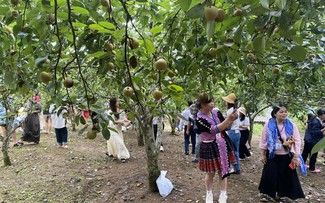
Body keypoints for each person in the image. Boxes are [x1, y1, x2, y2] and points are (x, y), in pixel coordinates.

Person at [195, 93, 238, 203]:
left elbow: (226, 127)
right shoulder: (199, 119)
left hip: (222, 144)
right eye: (209, 102)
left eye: (213, 101)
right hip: (209, 145)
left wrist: (232, 119)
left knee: (223, 170)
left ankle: (223, 194)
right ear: (202, 104)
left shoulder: (216, 112)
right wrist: (229, 119)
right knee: (210, 172)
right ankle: (209, 193)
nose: (212, 103)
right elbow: (214, 129)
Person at [258, 105, 305, 202]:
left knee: (286, 176)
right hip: (272, 155)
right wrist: (263, 154)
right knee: (270, 175)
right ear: (275, 114)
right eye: (281, 112)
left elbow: (297, 141)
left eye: (285, 111)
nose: (284, 114)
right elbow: (264, 140)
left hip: (286, 156)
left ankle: (284, 195)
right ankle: (269, 194)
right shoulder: (268, 125)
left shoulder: (291, 125)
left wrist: (295, 156)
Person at [106, 97, 130, 163]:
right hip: (112, 127)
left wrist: (128, 121)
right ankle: (123, 156)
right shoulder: (110, 111)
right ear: (113, 103)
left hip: (118, 127)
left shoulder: (120, 110)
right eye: (117, 102)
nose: (118, 103)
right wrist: (121, 122)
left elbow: (123, 118)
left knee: (119, 139)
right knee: (118, 141)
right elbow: (113, 121)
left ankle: (113, 152)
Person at [222, 93, 241, 174]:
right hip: (237, 132)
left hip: (232, 132)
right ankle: (237, 168)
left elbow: (229, 122)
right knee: (235, 151)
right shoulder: (237, 110)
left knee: (230, 151)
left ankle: (231, 168)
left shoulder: (230, 111)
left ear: (228, 102)